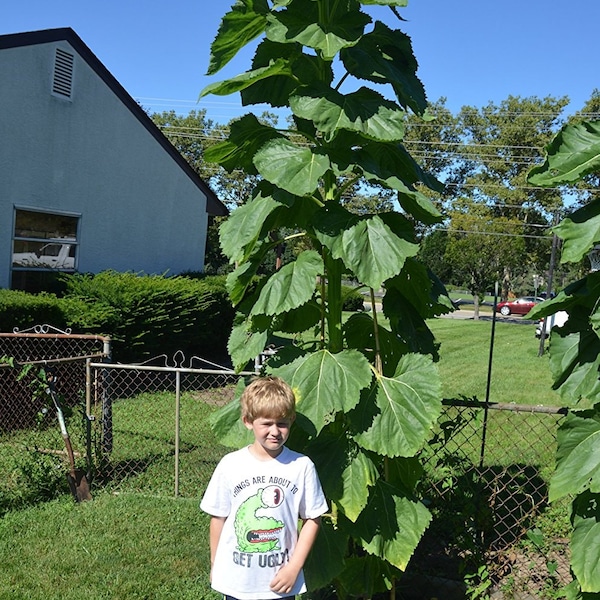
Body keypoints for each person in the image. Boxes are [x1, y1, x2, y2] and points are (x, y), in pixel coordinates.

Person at [200, 376, 328, 600]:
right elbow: (218, 518)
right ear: (248, 421)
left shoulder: (301, 466)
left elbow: (312, 518)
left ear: (292, 421)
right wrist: (215, 565)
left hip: (280, 582)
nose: (275, 431)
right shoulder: (231, 465)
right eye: (266, 424)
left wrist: (294, 568)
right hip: (238, 581)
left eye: (282, 423)